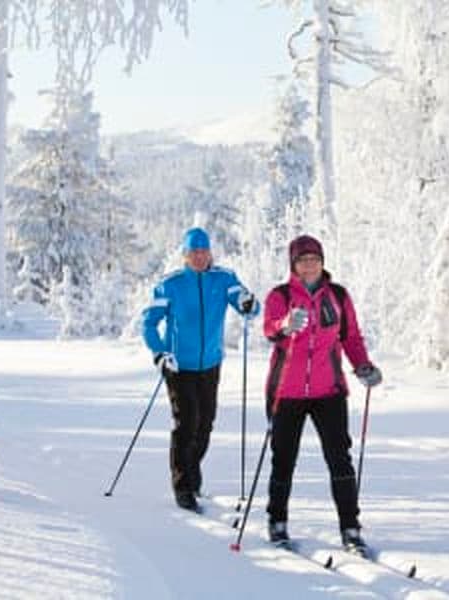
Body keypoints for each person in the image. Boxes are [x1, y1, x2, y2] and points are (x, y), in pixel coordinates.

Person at [262, 234, 383, 555]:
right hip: (286, 391)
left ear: (322, 261)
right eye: (303, 260)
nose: (310, 264)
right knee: (284, 458)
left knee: (339, 459)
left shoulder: (338, 296)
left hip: (328, 391)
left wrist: (363, 366)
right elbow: (269, 329)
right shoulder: (281, 295)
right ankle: (277, 521)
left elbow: (351, 337)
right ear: (294, 265)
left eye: (314, 258)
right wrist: (286, 324)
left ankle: (351, 528)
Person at [142, 227, 259, 512]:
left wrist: (249, 304)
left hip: (210, 364)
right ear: (185, 255)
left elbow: (250, 306)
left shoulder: (224, 279)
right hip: (178, 365)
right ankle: (183, 486)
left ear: (210, 253)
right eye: (194, 252)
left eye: (204, 252)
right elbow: (149, 323)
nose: (199, 257)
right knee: (187, 423)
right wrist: (160, 353)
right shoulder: (170, 285)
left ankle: (193, 474)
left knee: (205, 423)